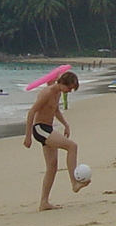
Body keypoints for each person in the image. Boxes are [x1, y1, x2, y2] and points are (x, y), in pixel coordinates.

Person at [23, 70, 87, 210]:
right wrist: (28, 136)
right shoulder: (48, 92)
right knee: (72, 147)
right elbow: (32, 112)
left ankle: (44, 203)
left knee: (52, 167)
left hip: (47, 128)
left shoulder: (58, 92)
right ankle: (74, 182)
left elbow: (55, 110)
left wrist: (66, 124)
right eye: (69, 88)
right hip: (40, 129)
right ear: (63, 83)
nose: (69, 91)